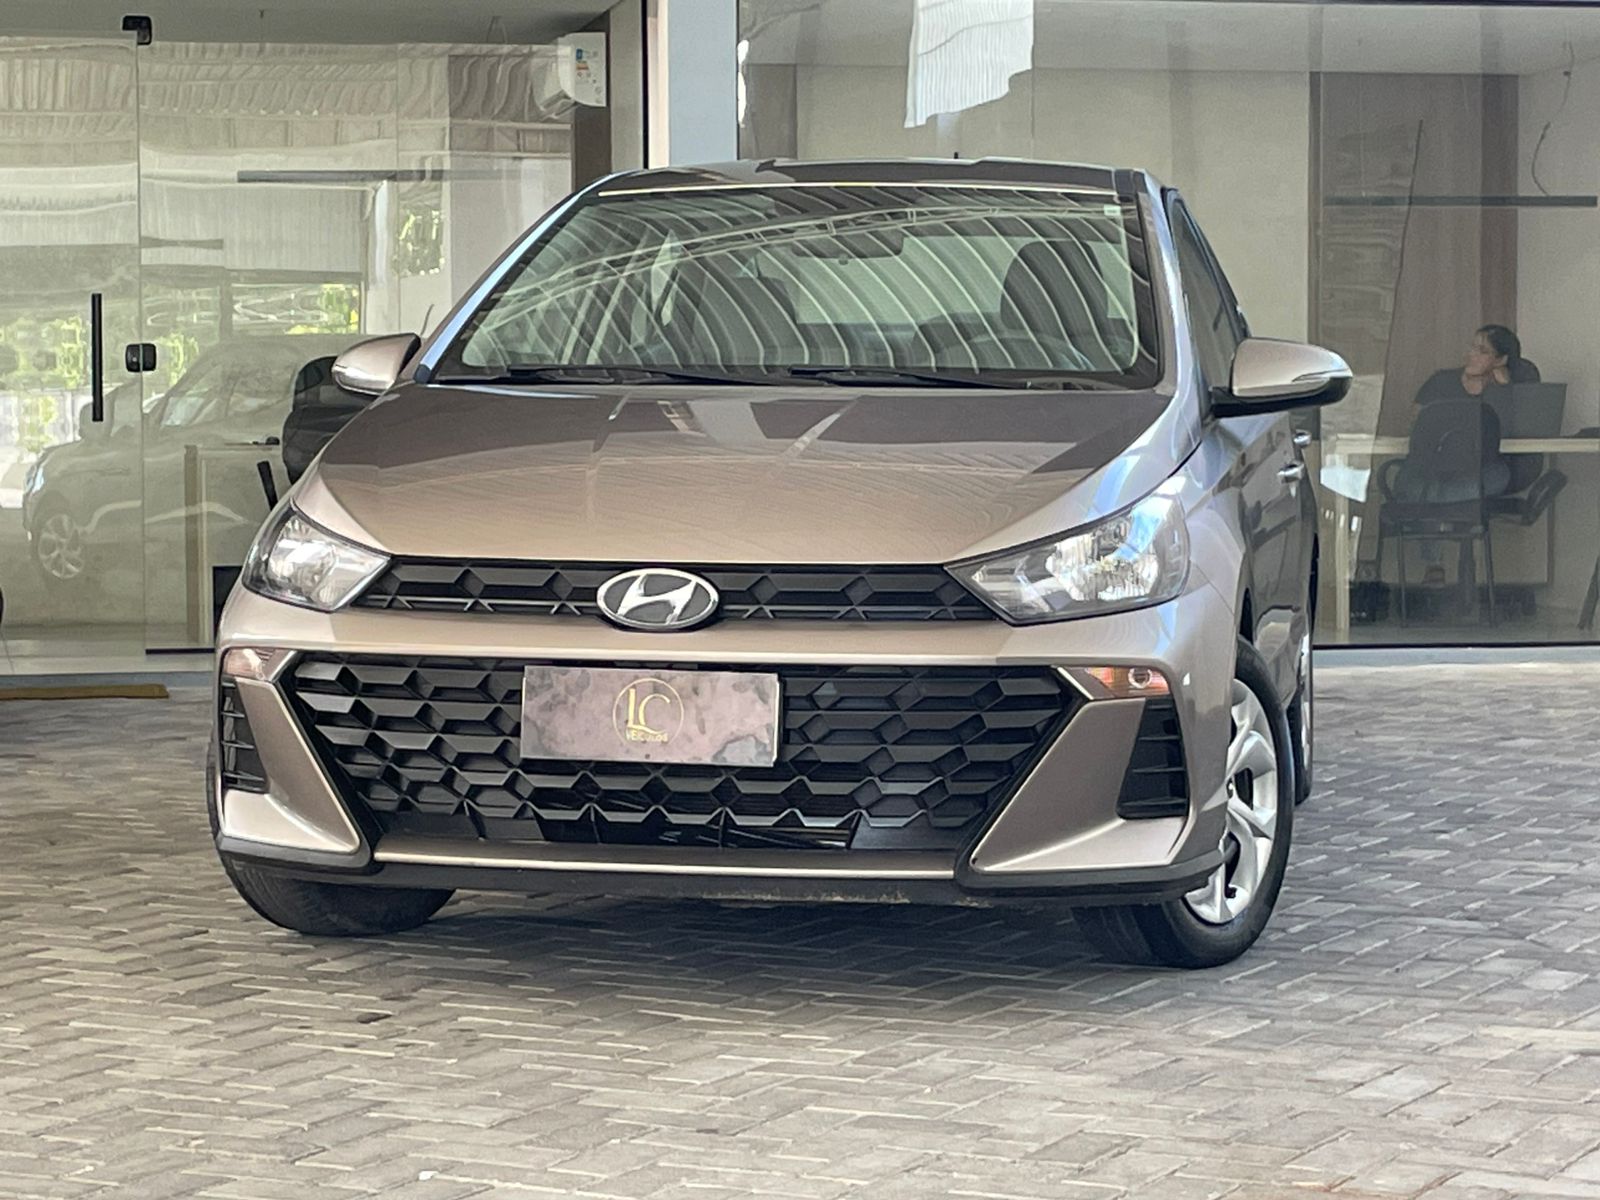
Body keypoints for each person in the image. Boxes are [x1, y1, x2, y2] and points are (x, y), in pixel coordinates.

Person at [1414, 323, 1540, 407]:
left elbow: (1522, 426)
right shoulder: (1440, 381)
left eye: (1483, 351)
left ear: (1500, 360)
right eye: (1472, 347)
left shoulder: (1518, 384)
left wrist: (1504, 388)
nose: (1471, 354)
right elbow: (1415, 423)